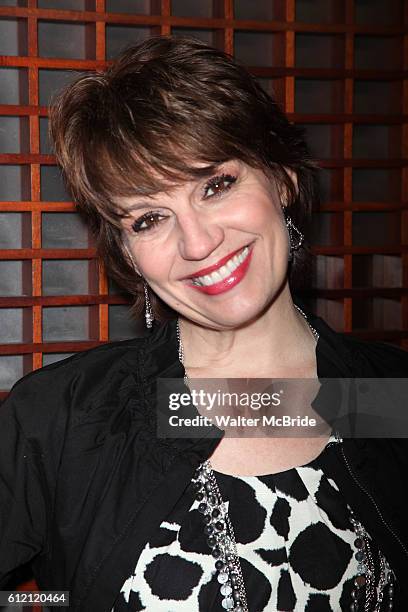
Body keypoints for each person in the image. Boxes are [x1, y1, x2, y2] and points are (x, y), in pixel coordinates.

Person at [0, 36, 407, 612]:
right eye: (148, 218)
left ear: (282, 178)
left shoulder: (385, 395)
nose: (199, 243)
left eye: (216, 185)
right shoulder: (62, 417)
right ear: (127, 253)